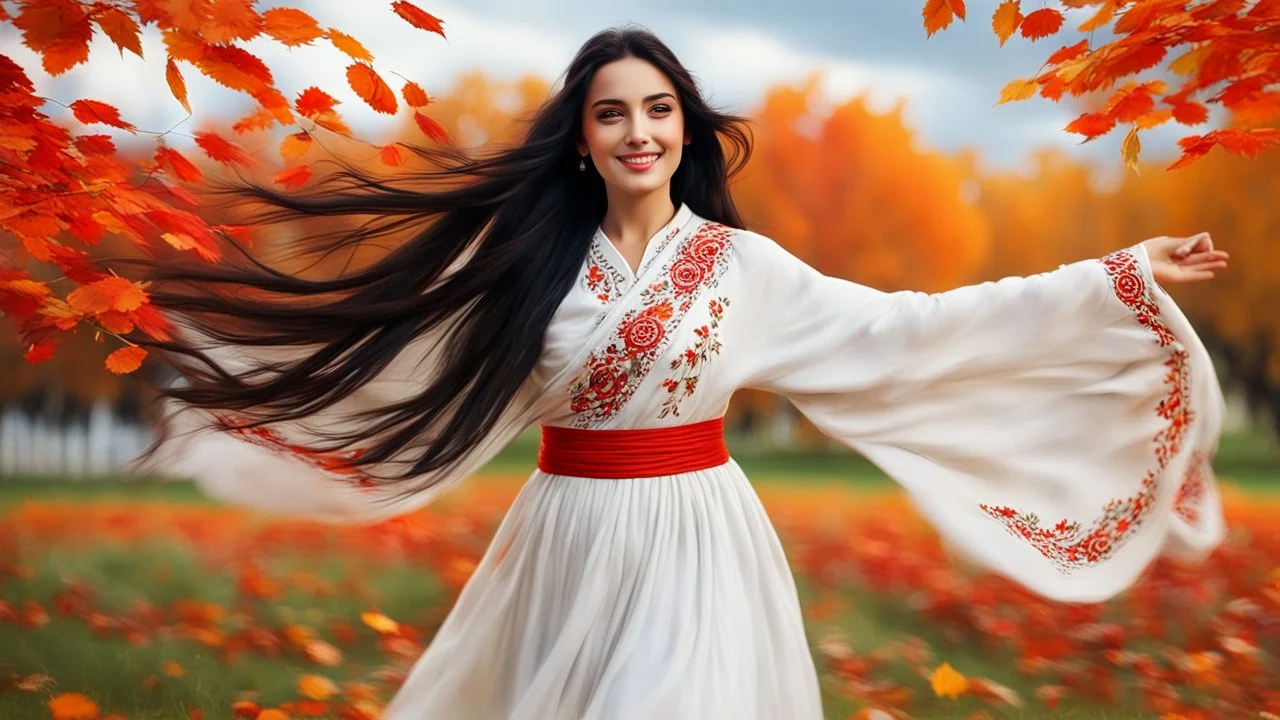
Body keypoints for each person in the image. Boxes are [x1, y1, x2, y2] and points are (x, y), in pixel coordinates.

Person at [127, 25, 1229, 720]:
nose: (637, 130)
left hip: (698, 534)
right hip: (567, 533)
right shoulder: (521, 265)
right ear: (582, 138)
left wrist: (1116, 271)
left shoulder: (744, 268)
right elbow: (405, 358)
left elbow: (912, 328)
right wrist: (251, 392)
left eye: (657, 109)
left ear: (683, 127)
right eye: (612, 112)